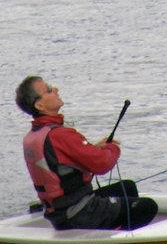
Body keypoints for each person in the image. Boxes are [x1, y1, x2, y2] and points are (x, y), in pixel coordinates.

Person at [15, 75, 157, 231]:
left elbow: (60, 164)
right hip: (78, 213)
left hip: (60, 212)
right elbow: (102, 164)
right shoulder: (59, 135)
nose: (56, 89)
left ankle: (112, 236)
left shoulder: (34, 136)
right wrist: (113, 148)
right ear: (40, 105)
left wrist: (96, 147)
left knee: (127, 187)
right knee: (147, 207)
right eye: (49, 90)